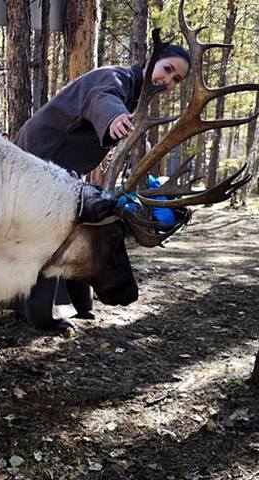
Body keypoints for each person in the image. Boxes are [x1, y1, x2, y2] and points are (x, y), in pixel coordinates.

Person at [10, 45, 191, 333]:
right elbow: (102, 98)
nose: (168, 81)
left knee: (85, 225)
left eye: (176, 80)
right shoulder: (115, 78)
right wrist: (114, 118)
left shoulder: (132, 93)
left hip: (54, 168)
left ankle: (79, 304)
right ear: (151, 60)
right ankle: (41, 316)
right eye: (167, 69)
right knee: (50, 235)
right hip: (37, 162)